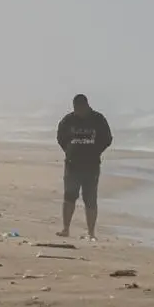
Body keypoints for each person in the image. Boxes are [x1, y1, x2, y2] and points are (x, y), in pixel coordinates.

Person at [55, 94, 113, 240]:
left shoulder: (98, 119)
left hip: (91, 165)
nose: (78, 111)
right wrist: (69, 150)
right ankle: (66, 228)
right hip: (72, 165)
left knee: (90, 199)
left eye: (80, 108)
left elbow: (107, 139)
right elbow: (60, 137)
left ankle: (91, 232)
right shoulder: (68, 120)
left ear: (86, 106)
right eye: (75, 108)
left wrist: (95, 150)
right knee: (69, 197)